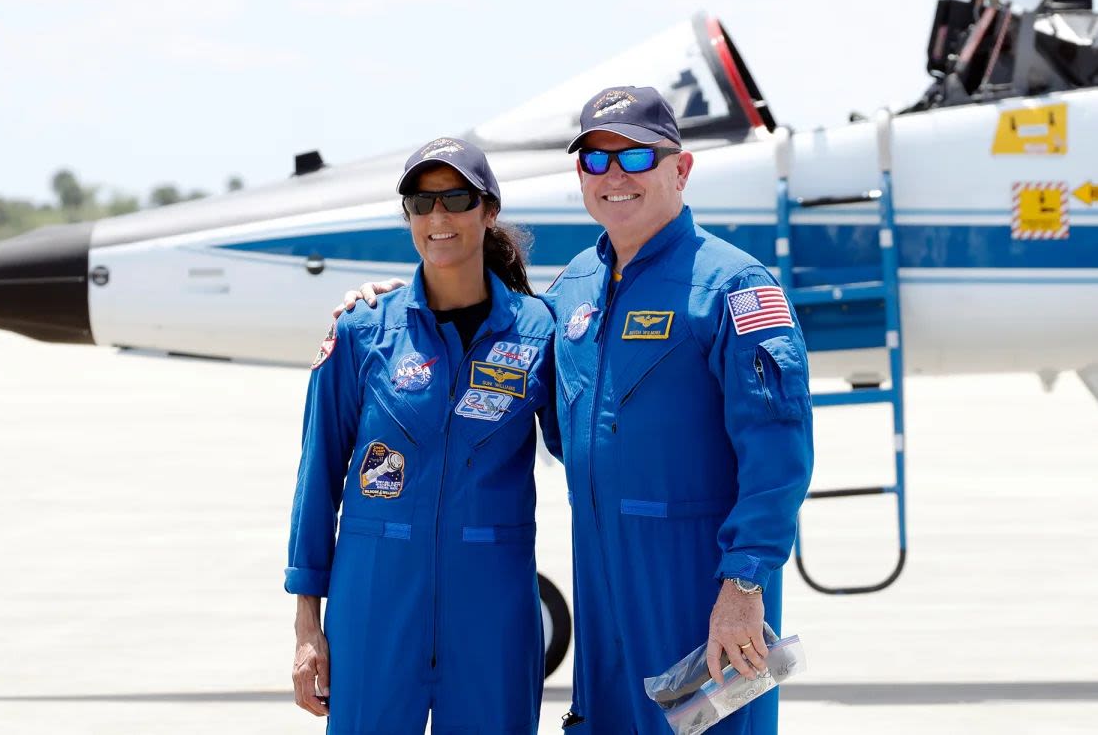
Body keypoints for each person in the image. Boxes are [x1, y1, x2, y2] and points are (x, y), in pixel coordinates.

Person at [342, 87, 813, 734]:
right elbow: (497, 348)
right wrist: (397, 304)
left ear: (681, 169)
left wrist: (744, 586)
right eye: (595, 160)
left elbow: (780, 456)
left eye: (636, 157)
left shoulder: (735, 287)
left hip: (700, 581)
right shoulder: (570, 296)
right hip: (600, 577)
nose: (615, 176)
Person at [286, 137, 561, 735]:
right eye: (421, 201)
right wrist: (308, 627)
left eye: (457, 199)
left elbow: (592, 451)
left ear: (488, 212)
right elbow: (317, 481)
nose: (439, 217)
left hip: (491, 608)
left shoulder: (540, 332)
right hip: (375, 604)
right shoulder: (362, 330)